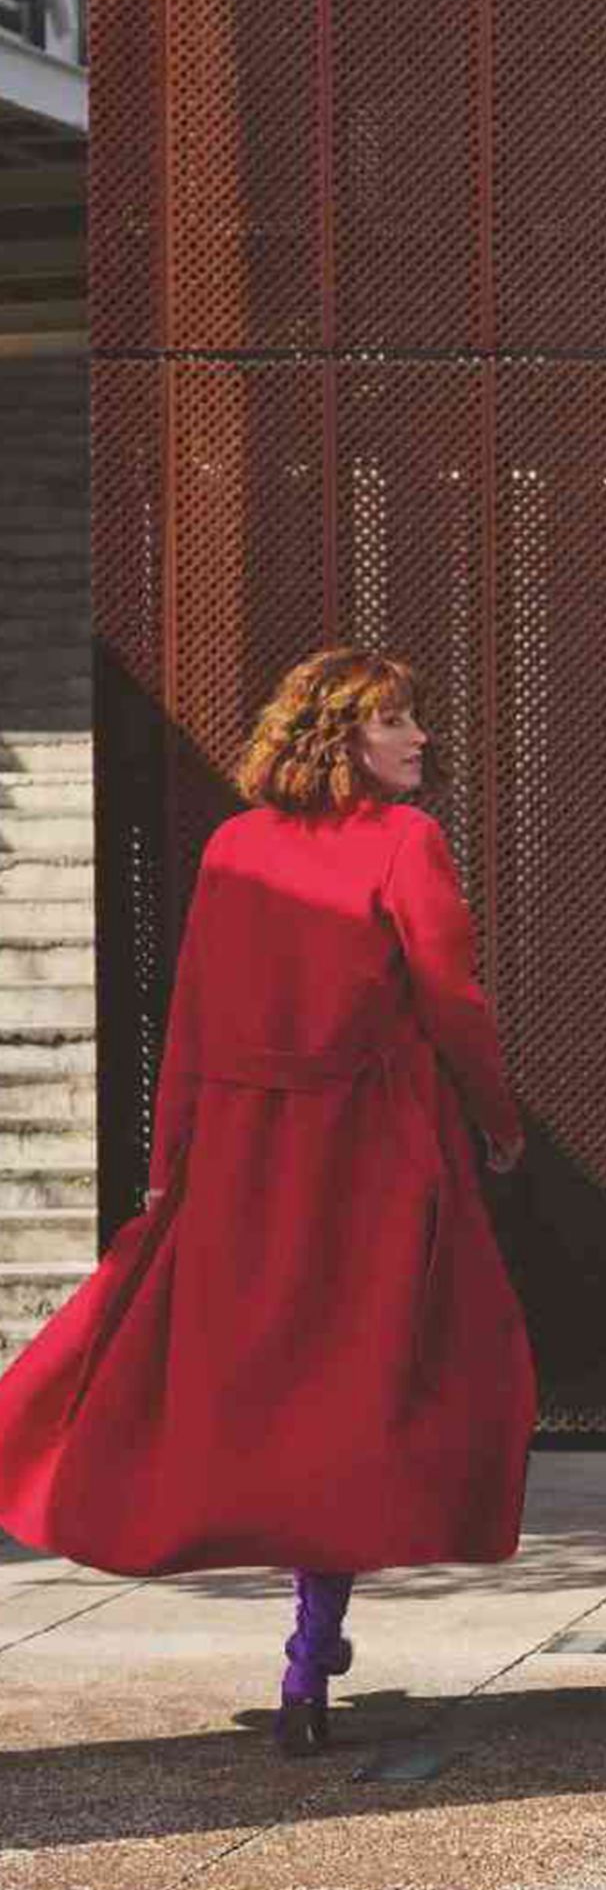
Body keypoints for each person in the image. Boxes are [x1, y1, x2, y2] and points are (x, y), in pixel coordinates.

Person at [0, 647, 536, 1755]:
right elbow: (451, 998)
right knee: (358, 1388)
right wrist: (497, 1117)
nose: (419, 739)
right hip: (369, 1152)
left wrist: (172, 1156)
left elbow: (189, 1012)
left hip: (247, 1151)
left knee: (271, 1387)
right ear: (342, 735)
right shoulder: (405, 843)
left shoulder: (234, 846)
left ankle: (309, 1646)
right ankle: (310, 1644)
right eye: (397, 722)